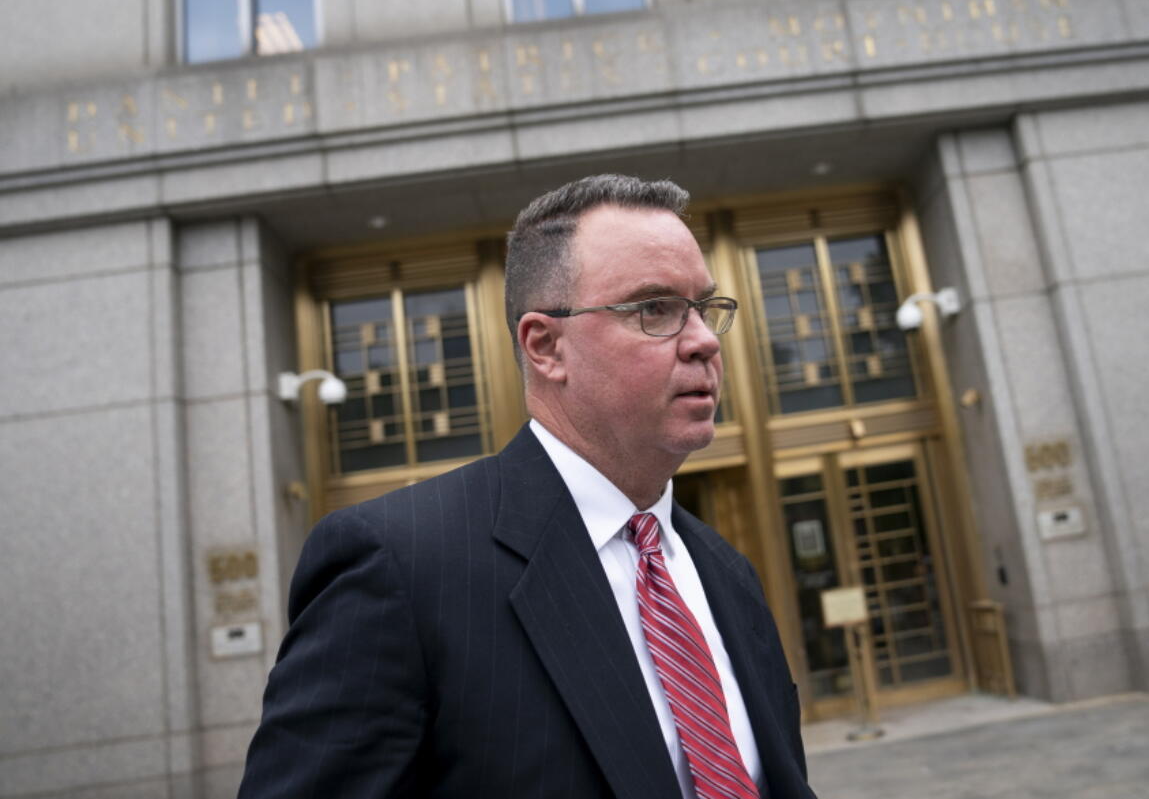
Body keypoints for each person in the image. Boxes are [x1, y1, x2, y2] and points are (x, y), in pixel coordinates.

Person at [237, 174, 817, 799]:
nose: (703, 341)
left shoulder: (723, 571)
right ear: (545, 346)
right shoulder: (399, 566)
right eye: (655, 309)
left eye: (704, 307)